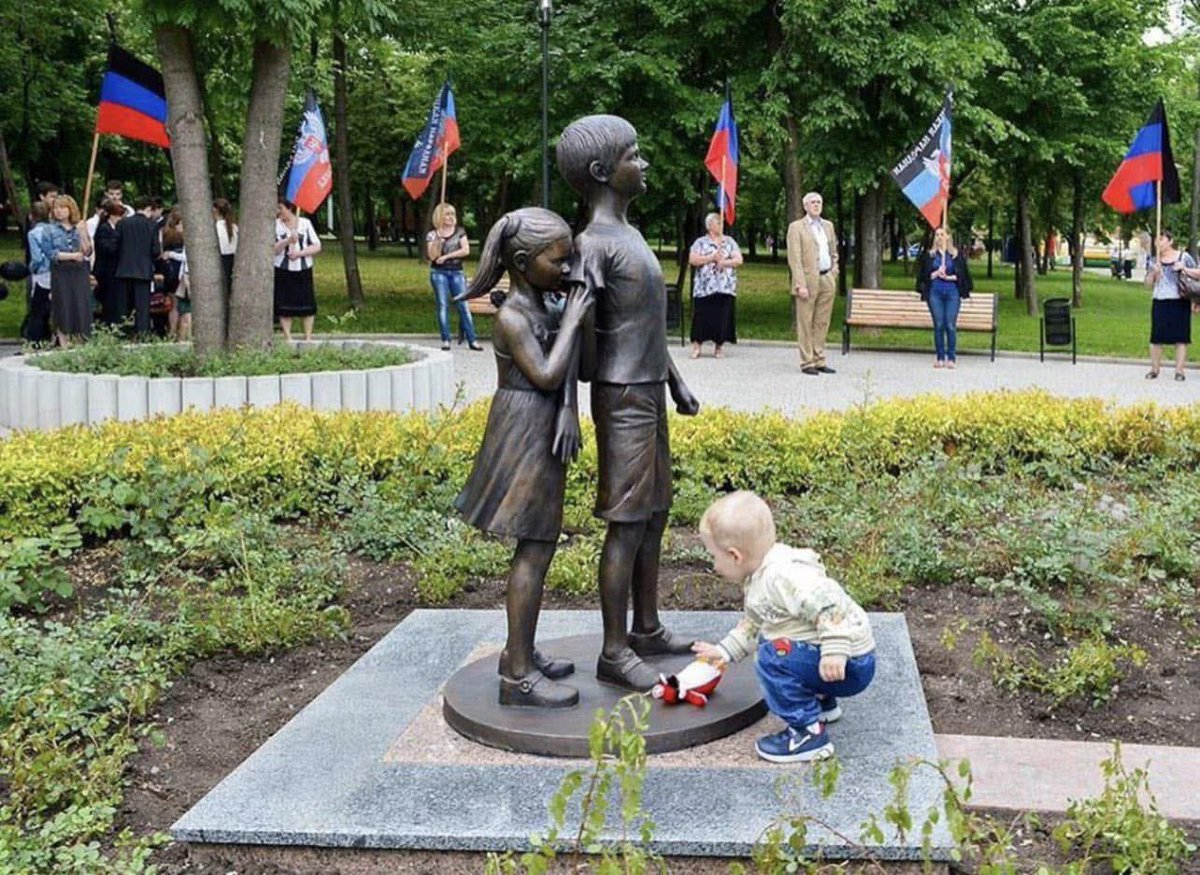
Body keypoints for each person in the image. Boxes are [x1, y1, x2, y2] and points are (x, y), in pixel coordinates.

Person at [556, 114, 700, 691]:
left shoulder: (631, 236)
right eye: (633, 156)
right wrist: (566, 405)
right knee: (626, 521)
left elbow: (642, 325)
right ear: (601, 173)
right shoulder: (592, 245)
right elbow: (574, 329)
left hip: (647, 390)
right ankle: (614, 651)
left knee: (656, 513)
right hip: (619, 397)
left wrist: (674, 379)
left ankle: (646, 626)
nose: (643, 164)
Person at [454, 207, 594, 708]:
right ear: (520, 261)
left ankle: (521, 650)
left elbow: (567, 374)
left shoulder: (541, 306)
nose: (568, 270)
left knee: (542, 544)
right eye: (558, 262)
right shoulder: (514, 316)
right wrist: (576, 319)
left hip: (542, 423)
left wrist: (570, 411)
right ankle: (517, 675)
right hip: (522, 431)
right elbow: (551, 373)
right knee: (534, 547)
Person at [692, 491, 876, 763]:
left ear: (735, 555)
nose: (714, 565)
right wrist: (724, 652)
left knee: (772, 655)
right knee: (775, 638)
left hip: (850, 663)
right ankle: (821, 703)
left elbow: (829, 603)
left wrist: (836, 649)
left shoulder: (784, 575)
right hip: (840, 661)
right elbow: (755, 623)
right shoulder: (761, 574)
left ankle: (807, 733)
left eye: (713, 556)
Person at [787, 191, 839, 375]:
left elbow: (833, 251)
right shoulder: (797, 227)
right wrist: (800, 284)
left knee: (822, 322)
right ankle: (806, 361)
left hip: (826, 278)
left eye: (819, 202)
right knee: (805, 321)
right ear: (805, 206)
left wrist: (834, 270)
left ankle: (819, 358)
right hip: (808, 280)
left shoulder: (828, 226)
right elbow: (795, 258)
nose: (817, 205)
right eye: (813, 202)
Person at [1144, 230, 1200, 382]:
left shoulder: (1184, 257)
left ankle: (1179, 371)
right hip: (1160, 300)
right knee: (1156, 337)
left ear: (1170, 241)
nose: (1158, 243)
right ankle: (1154, 369)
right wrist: (1153, 273)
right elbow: (1148, 285)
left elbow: (1198, 274)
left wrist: (1184, 269)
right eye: (1156, 240)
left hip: (1180, 300)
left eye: (1161, 239)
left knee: (1181, 337)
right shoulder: (1154, 260)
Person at [425, 203, 481, 351]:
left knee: (463, 305)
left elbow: (465, 250)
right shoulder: (432, 234)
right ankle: (446, 339)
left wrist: (447, 256)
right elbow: (432, 257)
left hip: (456, 272)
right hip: (439, 273)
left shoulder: (460, 232)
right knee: (443, 305)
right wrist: (437, 243)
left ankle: (472, 339)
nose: (451, 217)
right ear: (440, 216)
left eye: (452, 214)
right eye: (447, 214)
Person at [916, 227, 973, 369]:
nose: (939, 237)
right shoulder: (930, 256)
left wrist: (949, 277)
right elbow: (922, 278)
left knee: (950, 325)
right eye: (937, 235)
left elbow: (964, 277)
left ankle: (951, 357)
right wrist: (935, 273)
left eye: (942, 234)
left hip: (952, 293)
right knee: (939, 325)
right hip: (935, 293)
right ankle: (940, 357)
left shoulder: (955, 255)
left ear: (948, 237)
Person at [687, 212, 742, 359]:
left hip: (725, 286)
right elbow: (693, 259)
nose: (721, 226)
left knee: (722, 317)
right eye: (718, 223)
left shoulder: (729, 241)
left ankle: (719, 347)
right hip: (704, 287)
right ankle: (697, 346)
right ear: (710, 226)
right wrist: (711, 258)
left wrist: (725, 262)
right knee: (701, 317)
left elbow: (739, 260)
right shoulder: (700, 242)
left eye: (722, 223)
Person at [45, 195, 93, 347]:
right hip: (61, 272)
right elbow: (50, 254)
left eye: (62, 207)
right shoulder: (49, 230)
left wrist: (83, 234)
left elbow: (87, 251)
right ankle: (64, 342)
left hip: (79, 272)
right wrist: (72, 256)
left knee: (81, 305)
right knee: (63, 306)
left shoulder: (79, 227)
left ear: (70, 209)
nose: (59, 211)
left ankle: (80, 342)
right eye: (56, 208)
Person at [273, 199, 321, 342]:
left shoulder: (305, 224)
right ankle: (288, 337)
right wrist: (287, 241)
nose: (278, 211)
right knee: (284, 304)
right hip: (282, 268)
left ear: (289, 209)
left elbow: (317, 245)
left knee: (307, 303)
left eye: (280, 208)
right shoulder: (275, 225)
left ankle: (308, 337)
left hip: (303, 268)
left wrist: (300, 253)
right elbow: (273, 249)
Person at [115, 196, 162, 336]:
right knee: (142, 308)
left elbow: (116, 246)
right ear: (149, 209)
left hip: (123, 269)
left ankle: (123, 333)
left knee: (124, 306)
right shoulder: (152, 225)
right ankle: (143, 334)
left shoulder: (122, 223)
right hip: (143, 270)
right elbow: (155, 250)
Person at [23, 202, 54, 344]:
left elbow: (36, 258)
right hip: (56, 271)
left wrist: (31, 268)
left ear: (31, 216)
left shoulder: (33, 233)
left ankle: (34, 340)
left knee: (37, 309)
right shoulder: (54, 230)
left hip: (42, 273)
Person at [91, 199, 125, 327]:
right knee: (109, 300)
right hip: (106, 271)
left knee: (115, 299)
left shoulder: (114, 229)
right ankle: (109, 323)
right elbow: (107, 249)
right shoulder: (104, 229)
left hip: (114, 270)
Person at [159, 209, 186, 339]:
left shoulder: (165, 234)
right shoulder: (183, 237)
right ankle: (181, 332)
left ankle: (172, 332)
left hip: (169, 273)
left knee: (173, 305)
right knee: (181, 305)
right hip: (179, 271)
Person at [213, 198, 238, 294]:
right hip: (231, 259)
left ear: (216, 210)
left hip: (221, 259)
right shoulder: (234, 226)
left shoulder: (216, 227)